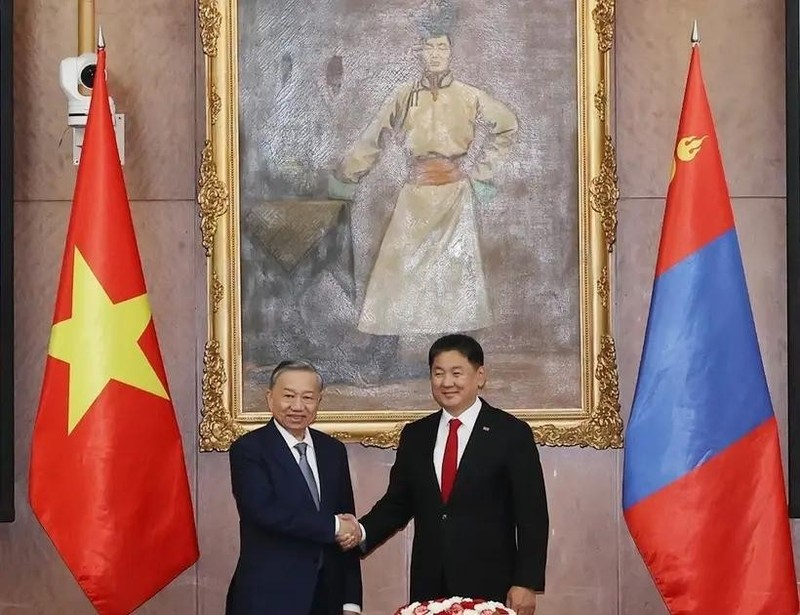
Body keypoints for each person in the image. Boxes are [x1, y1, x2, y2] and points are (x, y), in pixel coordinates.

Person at [329, 26, 518, 336]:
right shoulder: (403, 95)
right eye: (428, 48)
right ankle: (387, 351)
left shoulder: (469, 96)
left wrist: (482, 173)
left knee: (454, 278)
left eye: (441, 48)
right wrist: (346, 176)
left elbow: (507, 125)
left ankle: (453, 350)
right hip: (415, 196)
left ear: (451, 52)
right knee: (395, 273)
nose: (435, 55)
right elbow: (374, 136)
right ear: (418, 53)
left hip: (454, 199)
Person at [340, 334, 548, 615]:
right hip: (430, 584)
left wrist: (526, 582)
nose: (447, 382)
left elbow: (532, 514)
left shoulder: (511, 433)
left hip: (492, 583)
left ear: (480, 375)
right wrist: (360, 532)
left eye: (456, 373)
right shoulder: (416, 435)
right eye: (438, 374)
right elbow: (398, 503)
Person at [226, 360, 363, 615]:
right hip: (267, 599)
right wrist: (334, 526)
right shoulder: (249, 450)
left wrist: (351, 600)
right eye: (288, 396)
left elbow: (348, 524)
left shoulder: (333, 451)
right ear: (270, 398)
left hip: (327, 599)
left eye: (308, 397)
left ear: (318, 402)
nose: (298, 406)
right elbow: (265, 511)